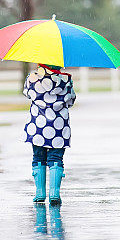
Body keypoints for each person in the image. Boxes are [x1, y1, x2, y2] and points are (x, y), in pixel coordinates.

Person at [23, 63, 76, 205]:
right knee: (56, 158)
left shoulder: (32, 79)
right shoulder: (66, 81)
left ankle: (40, 193)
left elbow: (27, 93)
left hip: (38, 128)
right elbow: (71, 101)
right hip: (58, 128)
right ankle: (54, 194)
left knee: (38, 157)